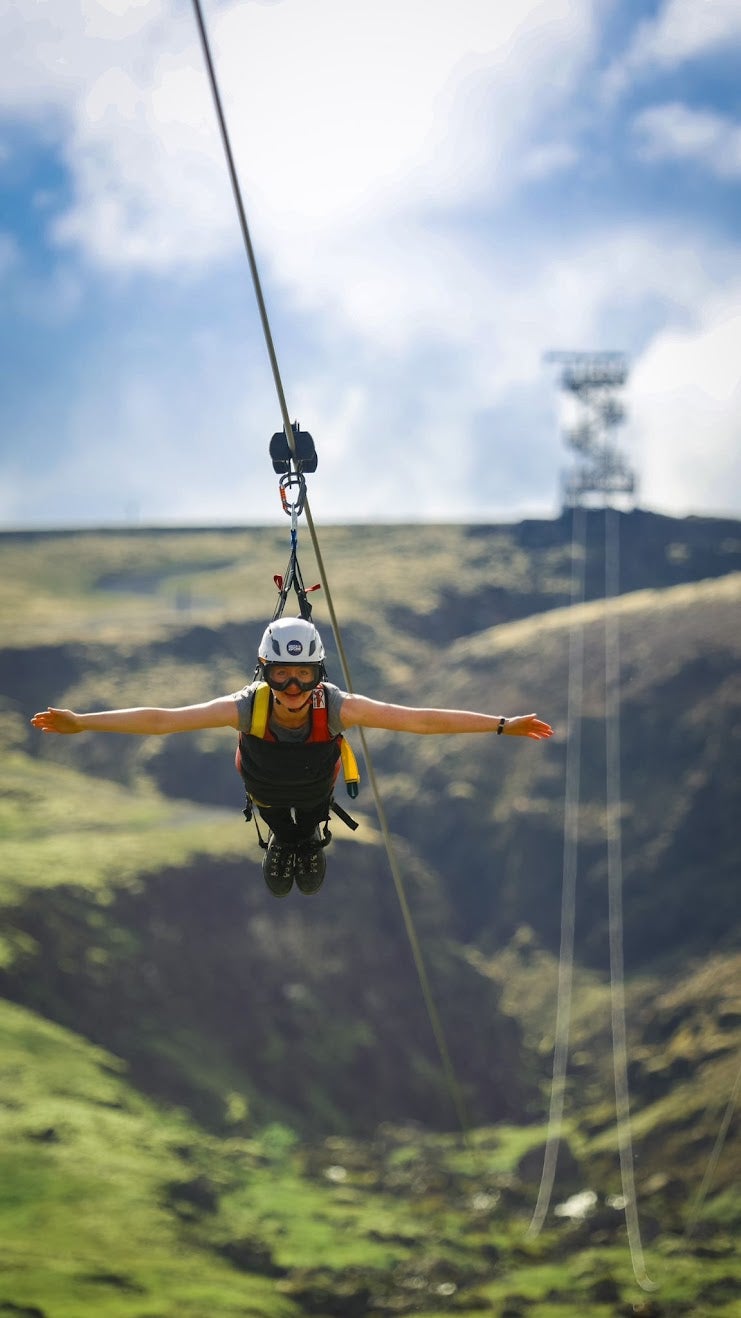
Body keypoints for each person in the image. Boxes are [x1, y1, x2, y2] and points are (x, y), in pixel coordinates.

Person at [31, 617, 553, 899]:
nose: (294, 687)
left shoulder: (339, 707)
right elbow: (164, 719)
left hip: (313, 789)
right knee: (283, 824)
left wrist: (501, 725)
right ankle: (289, 844)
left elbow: (415, 718)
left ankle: (303, 844)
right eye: (282, 674)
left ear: (319, 673)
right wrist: (84, 722)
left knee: (307, 820)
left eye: (305, 676)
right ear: (263, 671)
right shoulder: (244, 707)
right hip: (266, 793)